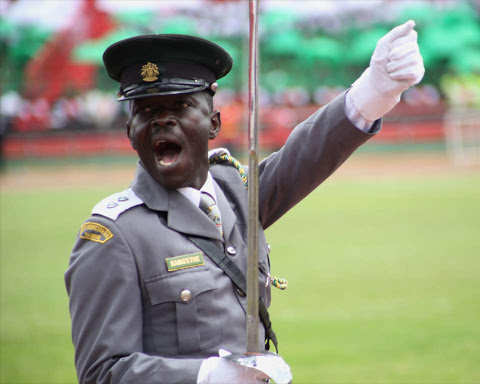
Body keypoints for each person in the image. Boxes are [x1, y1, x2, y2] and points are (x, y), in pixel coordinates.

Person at [65, 21, 424, 384]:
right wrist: (209, 376)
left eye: (181, 105)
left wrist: (374, 92)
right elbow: (101, 373)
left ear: (213, 124)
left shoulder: (233, 193)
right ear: (130, 133)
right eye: (145, 111)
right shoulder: (114, 235)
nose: (162, 120)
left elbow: (304, 156)